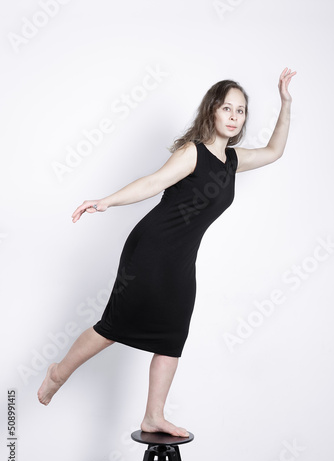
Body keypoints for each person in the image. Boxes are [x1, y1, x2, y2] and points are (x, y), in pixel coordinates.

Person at [38, 68, 296, 438]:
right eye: (227, 108)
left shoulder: (234, 161)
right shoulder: (193, 153)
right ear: (212, 112)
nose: (234, 116)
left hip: (180, 259)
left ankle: (153, 416)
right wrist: (105, 201)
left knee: (173, 335)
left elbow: (274, 151)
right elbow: (153, 182)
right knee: (114, 326)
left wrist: (285, 103)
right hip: (150, 250)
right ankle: (57, 374)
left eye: (240, 111)